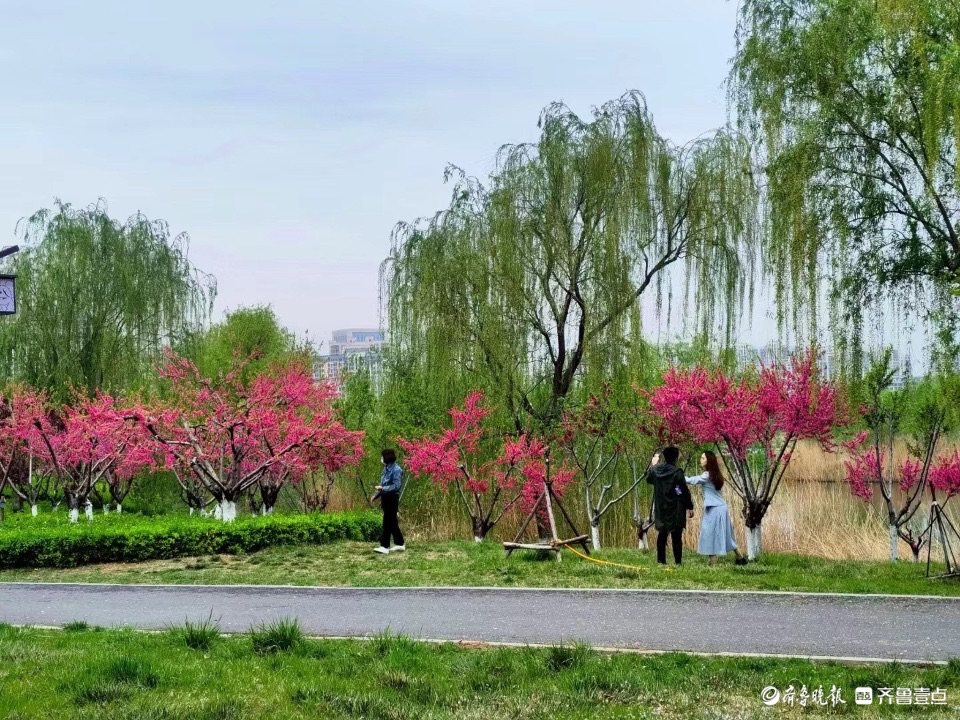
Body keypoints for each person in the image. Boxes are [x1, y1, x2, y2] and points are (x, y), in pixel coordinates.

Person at [686, 451, 746, 565]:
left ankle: (713, 562)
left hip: (714, 508)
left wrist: (678, 476)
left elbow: (692, 480)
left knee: (709, 533)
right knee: (727, 534)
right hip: (721, 507)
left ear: (709, 461)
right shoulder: (716, 474)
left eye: (703, 458)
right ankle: (740, 558)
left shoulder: (707, 475)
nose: (701, 460)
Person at [646, 446, 694, 565]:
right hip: (676, 507)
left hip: (661, 507)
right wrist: (690, 506)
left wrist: (653, 464)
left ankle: (661, 561)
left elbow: (648, 479)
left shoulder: (656, 470)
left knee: (662, 533)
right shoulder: (677, 472)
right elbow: (682, 490)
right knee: (676, 535)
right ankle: (678, 562)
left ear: (665, 457)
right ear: (676, 458)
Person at [371, 448, 405, 555]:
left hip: (392, 498)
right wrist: (375, 496)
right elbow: (382, 484)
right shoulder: (386, 468)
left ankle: (385, 546)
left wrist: (382, 489)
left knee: (387, 522)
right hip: (385, 498)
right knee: (393, 522)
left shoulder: (396, 470)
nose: (381, 459)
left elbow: (396, 486)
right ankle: (400, 544)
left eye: (382, 457)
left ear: (387, 457)